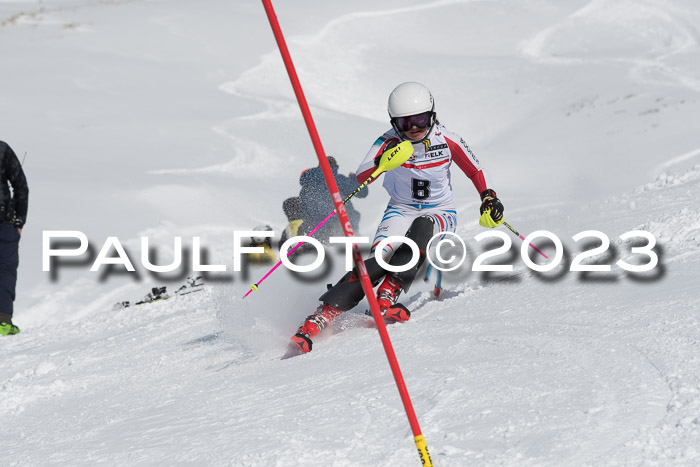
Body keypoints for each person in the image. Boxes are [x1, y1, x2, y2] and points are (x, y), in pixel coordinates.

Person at [288, 82, 504, 354]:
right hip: (401, 208)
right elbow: (362, 178)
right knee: (379, 259)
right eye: (405, 122)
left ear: (432, 115)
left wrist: (488, 197)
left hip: (440, 210)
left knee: (422, 230)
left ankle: (388, 292)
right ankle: (322, 315)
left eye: (420, 119)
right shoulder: (387, 141)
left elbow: (475, 170)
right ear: (394, 123)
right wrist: (382, 163)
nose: (414, 127)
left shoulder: (447, 139)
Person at [280, 156, 367, 247]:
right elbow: (363, 192)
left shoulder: (307, 182)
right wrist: (354, 178)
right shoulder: (337, 180)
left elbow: (304, 211)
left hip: (316, 231)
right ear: (335, 167)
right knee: (349, 216)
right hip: (340, 226)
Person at [0, 141, 29, 336]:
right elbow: (21, 185)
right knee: (6, 270)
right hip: (5, 221)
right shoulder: (2, 149)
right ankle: (3, 321)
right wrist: (19, 220)